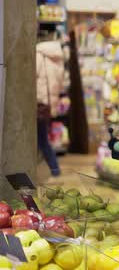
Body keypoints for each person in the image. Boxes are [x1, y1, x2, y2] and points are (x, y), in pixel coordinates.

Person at [36, 40, 66, 177]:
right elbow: (60, 83)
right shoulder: (57, 60)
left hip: (38, 102)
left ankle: (54, 168)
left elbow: (30, 77)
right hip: (48, 104)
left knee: (41, 138)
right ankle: (54, 168)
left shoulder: (38, 56)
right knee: (42, 137)